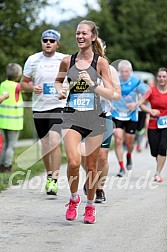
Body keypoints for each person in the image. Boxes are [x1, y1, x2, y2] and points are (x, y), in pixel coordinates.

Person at [55, 20, 121, 224]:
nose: (80, 37)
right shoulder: (67, 61)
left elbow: (113, 94)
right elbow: (58, 81)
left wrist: (93, 85)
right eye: (77, 33)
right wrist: (61, 90)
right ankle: (74, 199)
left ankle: (90, 206)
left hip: (95, 118)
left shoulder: (101, 63)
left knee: (91, 168)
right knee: (74, 162)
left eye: (84, 33)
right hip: (71, 116)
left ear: (93, 37)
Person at [20, 29, 67, 195]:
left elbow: (77, 79)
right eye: (45, 40)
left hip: (58, 105)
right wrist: (33, 87)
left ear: (57, 43)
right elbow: (23, 83)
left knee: (54, 140)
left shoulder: (64, 59)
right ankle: (49, 175)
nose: (48, 43)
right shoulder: (33, 60)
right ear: (41, 42)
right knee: (45, 145)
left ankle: (54, 179)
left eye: (52, 41)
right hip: (39, 107)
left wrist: (67, 88)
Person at [83, 65, 120, 203]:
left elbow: (116, 95)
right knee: (85, 156)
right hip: (84, 116)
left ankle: (99, 188)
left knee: (102, 157)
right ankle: (90, 179)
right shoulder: (81, 66)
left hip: (104, 116)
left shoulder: (110, 70)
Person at [112, 60, 149, 177]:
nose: (124, 74)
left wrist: (136, 104)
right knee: (118, 139)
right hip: (116, 113)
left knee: (129, 142)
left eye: (126, 71)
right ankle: (122, 167)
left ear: (130, 71)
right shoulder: (115, 80)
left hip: (131, 115)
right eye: (122, 71)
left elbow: (148, 92)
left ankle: (128, 155)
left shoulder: (135, 81)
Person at [140, 67, 167, 182]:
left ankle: (157, 173)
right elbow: (141, 104)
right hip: (153, 124)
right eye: (160, 76)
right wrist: (151, 111)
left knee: (163, 147)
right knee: (154, 151)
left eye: (164, 76)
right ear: (157, 78)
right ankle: (159, 166)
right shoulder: (151, 90)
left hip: (166, 124)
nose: (162, 79)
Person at [0, 63, 23, 172]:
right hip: (14, 122)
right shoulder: (17, 86)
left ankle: (1, 164)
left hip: (3, 121)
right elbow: (29, 86)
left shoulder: (3, 84)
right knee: (11, 146)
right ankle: (7, 166)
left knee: (5, 144)